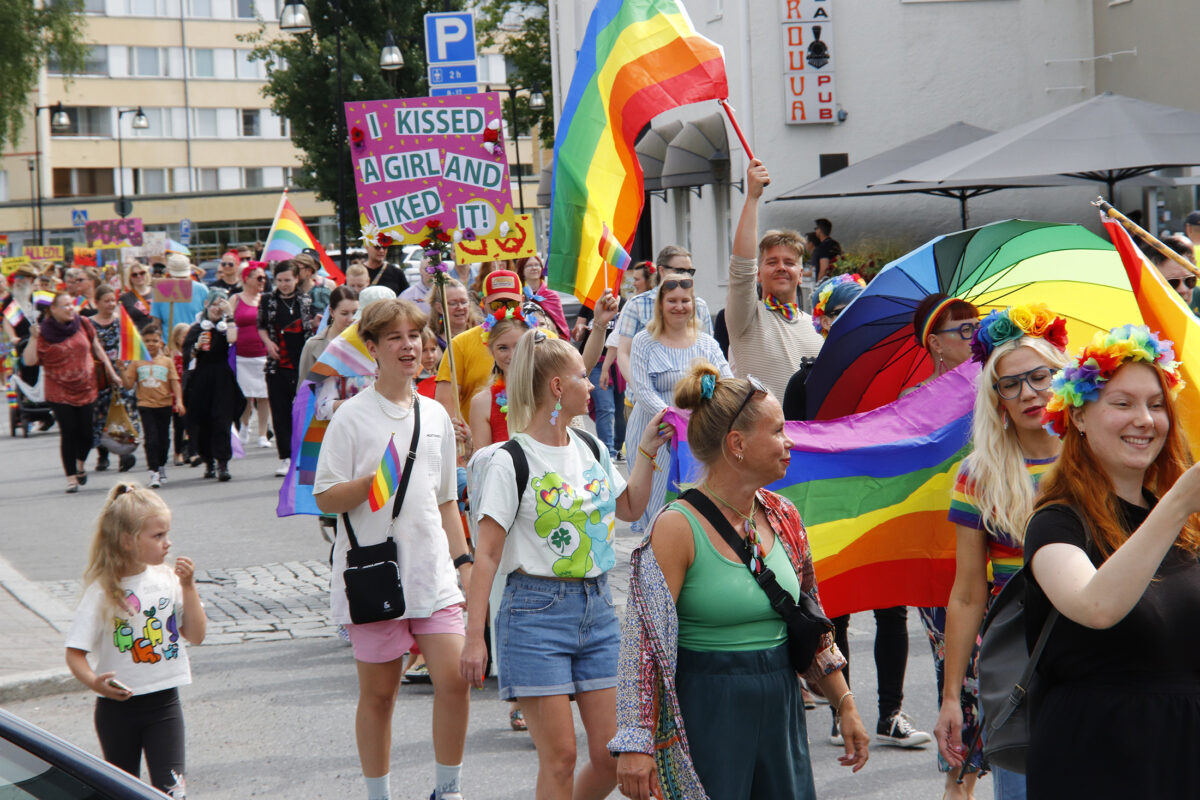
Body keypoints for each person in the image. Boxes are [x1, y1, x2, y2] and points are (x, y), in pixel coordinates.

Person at [611, 364, 869, 800]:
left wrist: (845, 703)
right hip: (708, 711)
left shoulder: (784, 515)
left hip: (781, 709)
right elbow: (641, 643)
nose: (790, 442)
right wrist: (635, 743)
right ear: (737, 444)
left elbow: (810, 621)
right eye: (778, 431)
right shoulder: (677, 526)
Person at [461, 322, 673, 800]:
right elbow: (488, 554)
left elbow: (632, 507)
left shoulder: (592, 446)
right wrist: (475, 637)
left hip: (598, 610)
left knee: (611, 756)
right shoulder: (509, 460)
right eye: (583, 375)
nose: (592, 384)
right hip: (533, 613)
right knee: (559, 759)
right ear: (558, 387)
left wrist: (645, 451)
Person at [1025, 324, 1200, 798]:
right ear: (1078, 417)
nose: (1145, 419)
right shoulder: (1056, 523)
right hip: (1096, 760)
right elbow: (1096, 607)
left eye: (1157, 404)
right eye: (1122, 404)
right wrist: (1179, 501)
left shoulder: (1188, 526)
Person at [313, 298, 473, 800]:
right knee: (380, 695)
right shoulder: (351, 417)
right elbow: (324, 495)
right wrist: (373, 483)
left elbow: (447, 501)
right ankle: (378, 794)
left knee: (455, 681)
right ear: (374, 349)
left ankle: (447, 789)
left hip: (432, 573)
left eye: (415, 337)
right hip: (376, 572)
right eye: (396, 338)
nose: (409, 347)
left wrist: (464, 565)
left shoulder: (436, 416)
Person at [931, 305, 1070, 800]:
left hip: (1102, 655)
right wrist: (953, 699)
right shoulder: (978, 475)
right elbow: (969, 595)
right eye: (1011, 384)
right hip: (1019, 665)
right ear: (997, 400)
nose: (1029, 393)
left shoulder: (1099, 456)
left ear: (1063, 377)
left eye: (1040, 376)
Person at [65, 482, 206, 798]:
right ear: (127, 541)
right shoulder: (102, 592)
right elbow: (74, 653)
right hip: (117, 711)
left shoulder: (169, 579)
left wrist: (189, 587)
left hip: (165, 705)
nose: (167, 543)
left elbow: (196, 635)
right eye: (157, 536)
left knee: (172, 793)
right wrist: (95, 682)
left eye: (167, 534)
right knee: (121, 792)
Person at [628, 275, 731, 531]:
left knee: (693, 501)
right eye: (672, 300)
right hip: (656, 432)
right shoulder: (644, 341)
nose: (679, 306)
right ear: (660, 305)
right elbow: (642, 389)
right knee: (656, 504)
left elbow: (728, 381)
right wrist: (672, 418)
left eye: (685, 300)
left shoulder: (706, 343)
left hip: (695, 435)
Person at [727, 160, 825, 400]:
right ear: (759, 273)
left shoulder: (817, 328)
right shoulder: (746, 319)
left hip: (807, 436)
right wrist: (752, 198)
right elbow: (741, 267)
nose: (781, 268)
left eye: (789, 263)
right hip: (759, 436)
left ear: (801, 275)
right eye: (772, 262)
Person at [25, 292, 121, 492]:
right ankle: (71, 477)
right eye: (65, 305)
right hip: (59, 389)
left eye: (71, 304)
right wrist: (33, 339)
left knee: (86, 434)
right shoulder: (42, 332)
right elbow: (30, 361)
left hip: (86, 387)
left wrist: (111, 373)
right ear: (52, 310)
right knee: (68, 432)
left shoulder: (83, 323)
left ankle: (79, 464)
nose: (71, 308)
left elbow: (97, 349)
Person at [435, 270, 525, 422]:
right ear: (483, 303)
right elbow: (446, 401)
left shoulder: (543, 339)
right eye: (496, 305)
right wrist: (465, 434)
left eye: (511, 304)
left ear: (523, 300)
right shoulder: (461, 343)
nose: (503, 311)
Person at [258, 259, 318, 477]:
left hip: (301, 361)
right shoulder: (267, 300)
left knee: (304, 409)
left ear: (296, 279)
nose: (284, 284)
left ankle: (305, 455)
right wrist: (267, 343)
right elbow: (261, 326)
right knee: (280, 410)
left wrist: (314, 323)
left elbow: (313, 325)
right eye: (280, 280)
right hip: (277, 362)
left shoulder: (305, 299)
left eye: (288, 280)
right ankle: (285, 457)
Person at [783, 274, 866, 421]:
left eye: (862, 308)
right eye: (848, 310)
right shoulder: (803, 382)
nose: (858, 317)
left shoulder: (884, 369)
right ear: (826, 322)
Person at [182, 291, 243, 482]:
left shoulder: (225, 327)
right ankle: (208, 460)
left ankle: (222, 463)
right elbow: (187, 355)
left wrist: (230, 314)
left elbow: (233, 339)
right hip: (201, 378)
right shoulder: (196, 329)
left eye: (221, 304)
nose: (218, 308)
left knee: (222, 419)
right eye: (215, 304)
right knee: (202, 421)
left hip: (222, 377)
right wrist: (196, 347)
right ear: (207, 305)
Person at [122, 321, 184, 489]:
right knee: (151, 439)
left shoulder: (167, 361)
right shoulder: (137, 361)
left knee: (164, 439)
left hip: (164, 404)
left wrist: (179, 401)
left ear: (161, 342)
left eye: (155, 341)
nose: (151, 344)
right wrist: (121, 369)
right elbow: (128, 384)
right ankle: (153, 472)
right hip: (145, 404)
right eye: (147, 340)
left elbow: (175, 383)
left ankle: (161, 465)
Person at [89, 285, 141, 473]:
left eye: (113, 300)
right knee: (100, 415)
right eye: (107, 301)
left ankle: (124, 453)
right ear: (97, 302)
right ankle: (103, 455)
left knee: (124, 412)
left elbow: (133, 347)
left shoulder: (122, 323)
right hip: (98, 376)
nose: (111, 304)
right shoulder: (88, 324)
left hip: (121, 374)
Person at [299, 286, 362, 420]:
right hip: (323, 420)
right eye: (344, 313)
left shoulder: (367, 343)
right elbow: (304, 389)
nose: (351, 318)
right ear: (332, 312)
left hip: (360, 418)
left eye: (355, 312)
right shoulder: (314, 345)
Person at [231, 262, 272, 449]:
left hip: (262, 354)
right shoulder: (236, 299)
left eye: (264, 277)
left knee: (264, 395)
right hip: (241, 355)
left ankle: (263, 434)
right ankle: (244, 427)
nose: (263, 281)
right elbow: (228, 322)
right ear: (246, 279)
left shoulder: (265, 299)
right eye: (259, 277)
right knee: (244, 395)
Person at [150, 255, 207, 331]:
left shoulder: (160, 288)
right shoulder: (201, 289)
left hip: (176, 340)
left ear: (168, 271)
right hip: (188, 340)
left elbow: (156, 323)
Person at [518, 255, 569, 338]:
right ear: (522, 270)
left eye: (537, 265)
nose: (534, 268)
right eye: (529, 265)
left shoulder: (551, 294)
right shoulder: (518, 294)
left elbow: (560, 323)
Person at [167, 324, 192, 467]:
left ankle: (189, 449)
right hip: (177, 394)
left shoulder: (192, 352)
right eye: (184, 336)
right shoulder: (173, 355)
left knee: (190, 424)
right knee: (179, 426)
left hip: (190, 392)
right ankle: (178, 453)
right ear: (176, 338)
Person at [429, 277, 473, 352]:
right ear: (439, 308)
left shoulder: (483, 332)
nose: (460, 307)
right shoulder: (433, 344)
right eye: (453, 303)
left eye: (464, 302)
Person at [120, 261, 155, 330]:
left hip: (156, 336)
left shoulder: (157, 292)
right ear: (130, 278)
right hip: (137, 337)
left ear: (146, 274)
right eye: (134, 275)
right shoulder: (125, 298)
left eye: (142, 273)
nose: (139, 276)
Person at [812, 218, 842, 282]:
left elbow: (823, 269)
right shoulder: (835, 244)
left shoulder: (823, 246)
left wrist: (818, 286)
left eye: (816, 229)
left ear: (820, 230)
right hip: (836, 280)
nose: (815, 231)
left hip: (825, 284)